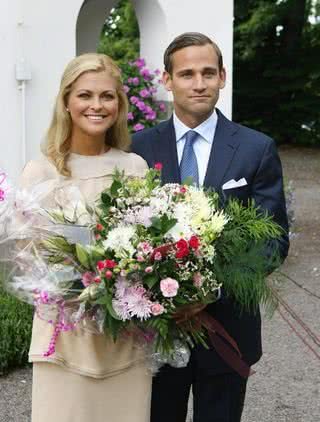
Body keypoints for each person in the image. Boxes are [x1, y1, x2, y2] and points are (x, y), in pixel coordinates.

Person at [132, 32, 289, 422]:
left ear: (223, 76)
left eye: (207, 73)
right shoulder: (137, 149)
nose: (198, 84)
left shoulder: (257, 148)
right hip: (154, 332)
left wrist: (211, 288)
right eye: (186, 74)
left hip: (228, 330)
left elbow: (272, 240)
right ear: (167, 80)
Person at [20, 53, 151, 422]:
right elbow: (30, 261)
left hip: (125, 342)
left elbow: (148, 250)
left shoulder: (134, 169)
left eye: (107, 96)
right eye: (85, 95)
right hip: (62, 341)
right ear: (66, 101)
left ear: (120, 105)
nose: (97, 105)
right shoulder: (41, 172)